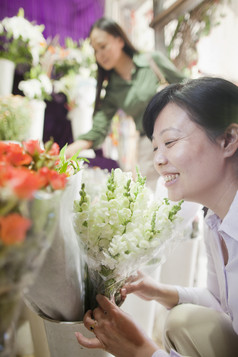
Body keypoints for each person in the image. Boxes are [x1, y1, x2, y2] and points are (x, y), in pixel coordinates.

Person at [74, 77, 238, 357]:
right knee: (183, 320)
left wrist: (141, 350)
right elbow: (222, 303)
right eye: (155, 147)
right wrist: (157, 290)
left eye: (170, 142)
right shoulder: (216, 223)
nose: (159, 160)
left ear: (227, 140)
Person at [65, 17, 185, 191]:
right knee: (155, 203)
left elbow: (187, 87)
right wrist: (73, 149)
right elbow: (99, 128)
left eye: (103, 46)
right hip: (149, 147)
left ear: (119, 40)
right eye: (95, 50)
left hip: (178, 139)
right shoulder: (112, 90)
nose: (100, 54)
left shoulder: (152, 61)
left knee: (188, 197)